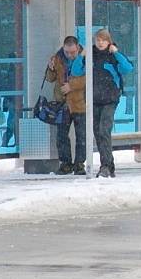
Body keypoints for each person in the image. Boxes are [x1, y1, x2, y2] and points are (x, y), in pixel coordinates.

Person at [90, 28, 133, 178]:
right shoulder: (91, 56)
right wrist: (81, 56)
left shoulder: (113, 56)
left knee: (104, 130)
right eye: (98, 40)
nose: (100, 43)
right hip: (95, 99)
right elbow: (76, 71)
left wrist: (116, 52)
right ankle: (108, 164)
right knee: (98, 133)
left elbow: (128, 68)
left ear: (109, 42)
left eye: (103, 40)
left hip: (110, 99)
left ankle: (106, 165)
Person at [46, 35, 86, 175]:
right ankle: (66, 163)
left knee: (82, 135)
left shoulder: (85, 57)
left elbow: (90, 78)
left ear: (77, 48)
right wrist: (50, 68)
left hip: (80, 101)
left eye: (73, 52)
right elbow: (50, 79)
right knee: (61, 135)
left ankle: (79, 163)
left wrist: (72, 86)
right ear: (63, 48)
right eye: (67, 52)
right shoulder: (57, 58)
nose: (70, 55)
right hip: (62, 103)